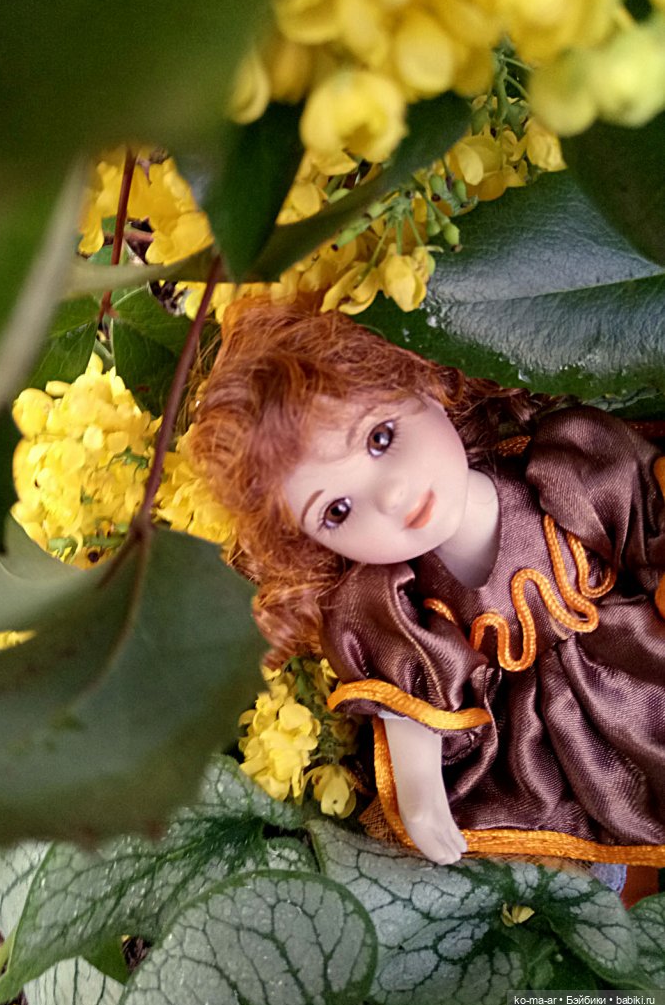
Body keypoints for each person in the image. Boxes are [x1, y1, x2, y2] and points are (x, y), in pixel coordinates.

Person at [190, 298, 665, 866]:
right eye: (337, 511)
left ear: (423, 381)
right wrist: (418, 787)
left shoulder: (566, 462)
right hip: (538, 751)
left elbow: (645, 521)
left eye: (380, 438)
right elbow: (413, 688)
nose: (391, 497)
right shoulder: (391, 599)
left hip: (639, 664)